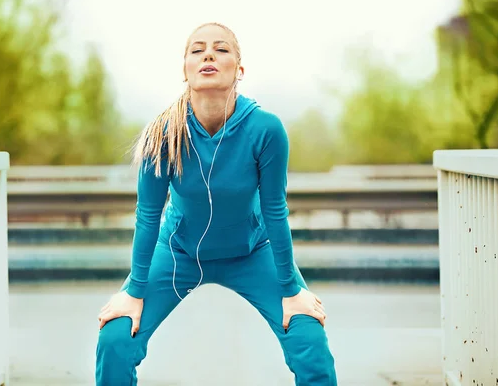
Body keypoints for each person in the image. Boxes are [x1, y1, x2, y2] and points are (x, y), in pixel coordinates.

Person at [95, 22, 337, 385]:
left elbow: (274, 211)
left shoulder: (265, 130)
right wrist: (134, 292)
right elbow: (148, 216)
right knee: (115, 337)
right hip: (179, 254)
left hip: (253, 253)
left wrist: (290, 290)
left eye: (221, 49)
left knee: (308, 337)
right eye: (198, 49)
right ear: (185, 69)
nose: (209, 54)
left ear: (239, 69)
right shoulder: (163, 134)